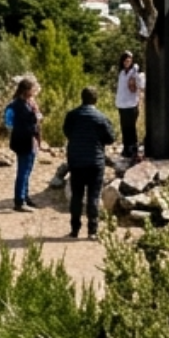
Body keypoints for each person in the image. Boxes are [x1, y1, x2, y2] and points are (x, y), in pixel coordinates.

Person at [62, 86, 116, 239]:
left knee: (77, 196)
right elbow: (110, 138)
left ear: (82, 98)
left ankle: (74, 229)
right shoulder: (101, 118)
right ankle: (92, 230)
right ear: (95, 100)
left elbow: (67, 132)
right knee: (93, 196)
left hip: (76, 160)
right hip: (95, 161)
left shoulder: (72, 115)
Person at [3, 76, 46, 211]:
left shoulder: (27, 103)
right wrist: (35, 122)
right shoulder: (19, 106)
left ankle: (25, 197)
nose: (35, 91)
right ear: (27, 90)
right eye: (33, 88)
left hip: (28, 142)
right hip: (24, 142)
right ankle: (19, 201)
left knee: (27, 171)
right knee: (23, 172)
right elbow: (16, 124)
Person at [113, 50, 145, 161]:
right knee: (124, 128)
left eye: (129, 61)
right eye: (125, 61)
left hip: (131, 104)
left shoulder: (135, 73)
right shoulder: (122, 73)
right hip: (122, 104)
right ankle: (126, 148)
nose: (127, 63)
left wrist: (136, 72)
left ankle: (133, 149)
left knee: (131, 128)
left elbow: (141, 85)